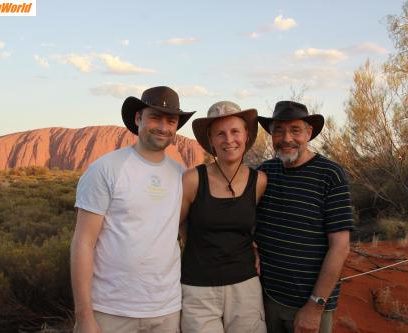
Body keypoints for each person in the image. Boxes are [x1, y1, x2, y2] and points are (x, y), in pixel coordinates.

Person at [70, 86, 195, 333]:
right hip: (111, 310)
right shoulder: (106, 169)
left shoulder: (181, 175)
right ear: (138, 118)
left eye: (171, 121)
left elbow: (190, 233)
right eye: (155, 118)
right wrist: (84, 317)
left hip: (166, 310)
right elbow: (83, 243)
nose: (163, 127)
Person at [255, 101, 354, 333]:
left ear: (309, 132)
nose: (286, 138)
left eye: (295, 130)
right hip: (268, 299)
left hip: (308, 305)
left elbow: (340, 247)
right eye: (278, 130)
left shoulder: (330, 175)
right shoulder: (266, 172)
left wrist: (314, 306)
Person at [179, 101, 268, 333]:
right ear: (211, 140)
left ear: (246, 136)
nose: (229, 139)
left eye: (235, 131)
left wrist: (256, 245)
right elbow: (176, 227)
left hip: (245, 287)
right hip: (199, 289)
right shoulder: (192, 180)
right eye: (220, 133)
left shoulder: (258, 181)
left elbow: (254, 225)